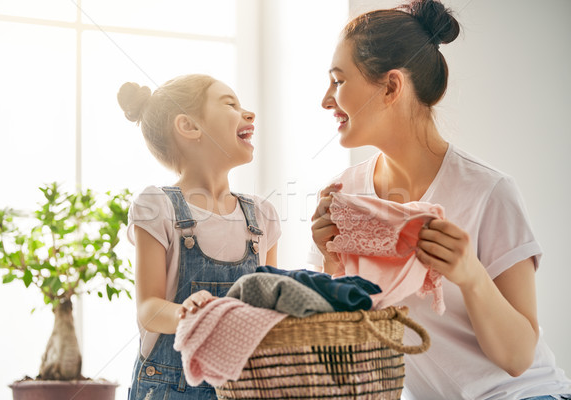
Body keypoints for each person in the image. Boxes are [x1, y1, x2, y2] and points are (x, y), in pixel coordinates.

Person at [309, 1, 571, 399]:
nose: (326, 100)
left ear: (391, 86)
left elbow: (518, 358)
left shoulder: (488, 190)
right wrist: (330, 261)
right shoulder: (343, 196)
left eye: (338, 81)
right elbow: (343, 357)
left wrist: (470, 275)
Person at [118, 74, 281, 399]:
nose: (248, 114)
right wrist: (188, 315)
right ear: (189, 126)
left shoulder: (262, 216)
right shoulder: (157, 205)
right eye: (230, 104)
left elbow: (271, 303)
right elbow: (148, 309)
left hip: (244, 389)